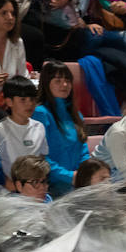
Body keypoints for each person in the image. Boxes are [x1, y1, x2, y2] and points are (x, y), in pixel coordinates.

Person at [33, 60, 88, 197]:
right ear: (47, 83)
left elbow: (83, 150)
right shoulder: (40, 113)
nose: (64, 85)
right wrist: (70, 176)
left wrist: (84, 173)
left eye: (67, 80)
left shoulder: (76, 114)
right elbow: (40, 157)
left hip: (78, 182)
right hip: (52, 186)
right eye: (58, 81)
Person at [0, 75, 46, 187]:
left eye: (32, 99)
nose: (30, 104)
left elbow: (42, 158)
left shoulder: (39, 127)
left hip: (35, 187)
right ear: (9, 102)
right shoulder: (0, 129)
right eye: (23, 100)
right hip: (10, 189)